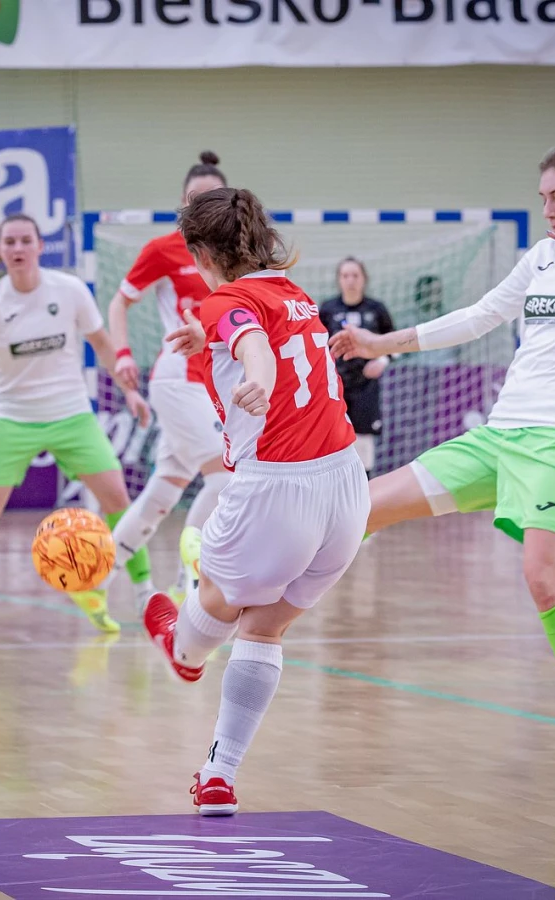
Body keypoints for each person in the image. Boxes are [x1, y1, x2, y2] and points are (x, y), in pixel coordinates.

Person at [331, 119, 555, 778]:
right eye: (542, 198)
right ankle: (236, 580)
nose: (548, 210)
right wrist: (383, 343)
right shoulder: (542, 256)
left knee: (545, 580)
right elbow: (479, 316)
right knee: (363, 506)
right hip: (500, 435)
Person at [145, 187, 368, 816]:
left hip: (278, 489)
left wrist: (257, 382)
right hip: (346, 489)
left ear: (201, 255)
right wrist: (209, 337)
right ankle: (218, 774)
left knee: (216, 597)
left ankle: (181, 649)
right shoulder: (294, 293)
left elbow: (255, 348)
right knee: (264, 627)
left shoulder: (223, 301)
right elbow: (256, 332)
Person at [0, 213, 153, 633]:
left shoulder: (69, 290)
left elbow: (102, 344)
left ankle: (144, 591)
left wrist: (129, 391)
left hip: (71, 414)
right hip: (12, 418)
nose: (17, 248)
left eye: (25, 241)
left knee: (117, 498)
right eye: (9, 242)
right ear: (0, 250)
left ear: (39, 246)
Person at [107, 151, 232, 604]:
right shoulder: (163, 249)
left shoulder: (232, 254)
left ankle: (97, 581)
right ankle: (188, 584)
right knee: (226, 479)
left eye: (212, 198)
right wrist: (122, 355)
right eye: (195, 198)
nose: (202, 206)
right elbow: (119, 302)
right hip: (179, 379)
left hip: (215, 383)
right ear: (182, 203)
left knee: (163, 492)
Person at [318, 257, 396, 471]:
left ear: (364, 279)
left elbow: (395, 343)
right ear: (339, 279)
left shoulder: (376, 309)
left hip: (366, 385)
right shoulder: (328, 309)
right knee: (333, 439)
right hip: (335, 385)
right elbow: (316, 344)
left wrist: (382, 361)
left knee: (363, 439)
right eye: (345, 275)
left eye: (355, 275)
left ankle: (366, 487)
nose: (350, 280)